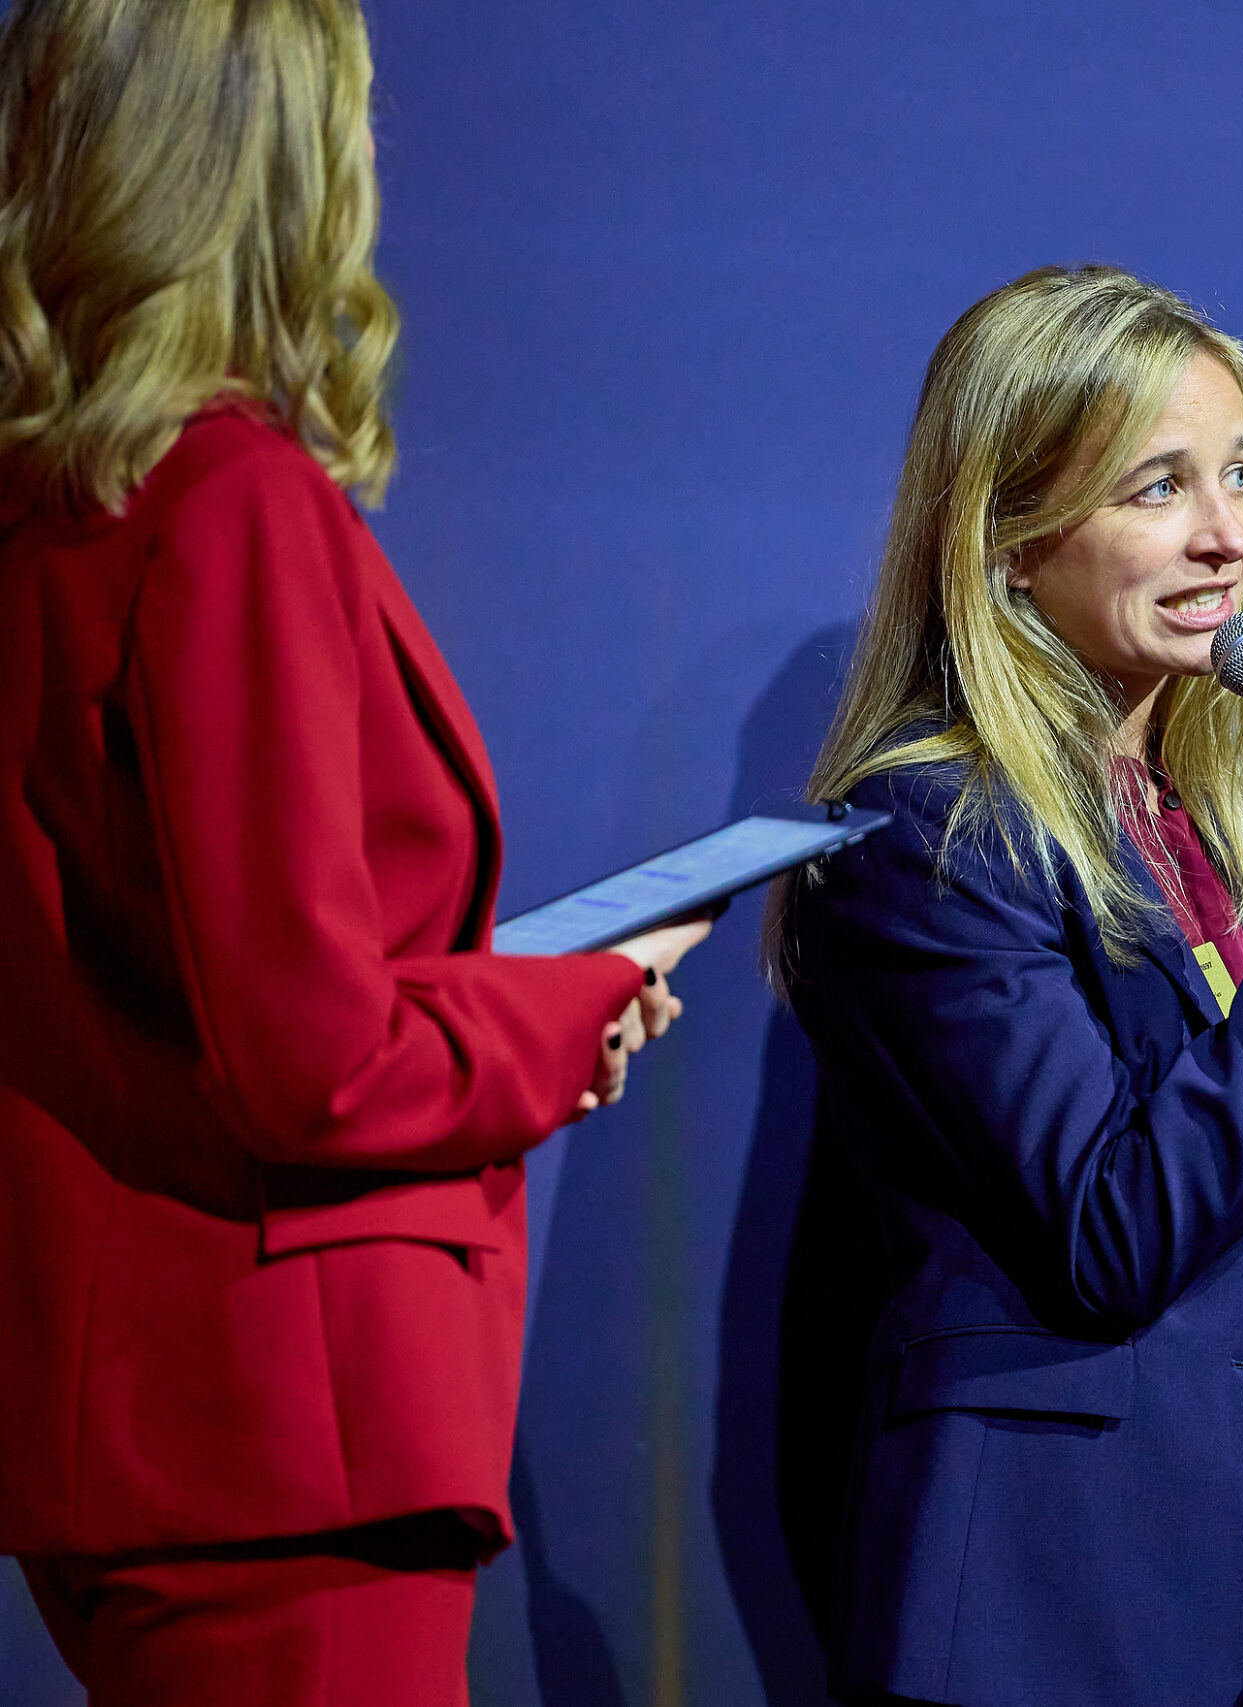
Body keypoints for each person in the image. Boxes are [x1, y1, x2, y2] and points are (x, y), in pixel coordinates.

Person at [0, 3, 710, 1702]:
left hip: (135, 1426)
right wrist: (573, 1004)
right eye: (352, 117)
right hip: (283, 1449)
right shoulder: (226, 502)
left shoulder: (50, 508)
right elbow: (311, 1060)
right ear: (278, 156)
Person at [771, 264, 1243, 1707]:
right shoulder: (924, 834)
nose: (1229, 536)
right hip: (1055, 1613)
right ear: (1009, 540)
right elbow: (1108, 1228)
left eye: (1240, 474)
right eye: (1158, 487)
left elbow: (1213, 1168)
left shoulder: (1181, 819)